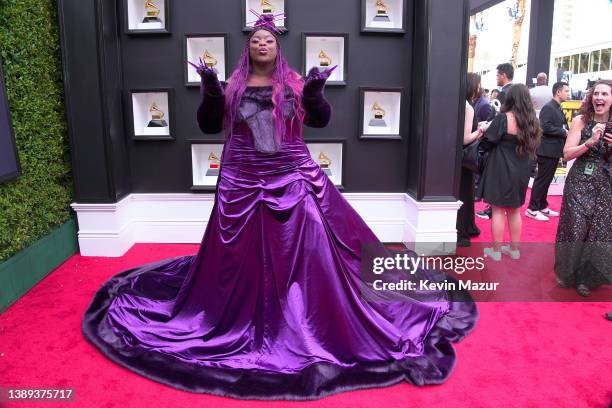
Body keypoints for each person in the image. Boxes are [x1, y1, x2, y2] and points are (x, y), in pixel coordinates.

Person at [81, 13, 477, 400]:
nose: (261, 44)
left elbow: (319, 120)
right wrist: (210, 89)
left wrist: (318, 91)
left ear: (278, 47)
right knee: (236, 253)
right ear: (247, 48)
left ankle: (307, 319)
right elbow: (206, 124)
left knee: (312, 244)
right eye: (255, 40)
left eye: (268, 39)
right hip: (239, 177)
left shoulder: (293, 82)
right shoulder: (233, 84)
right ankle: (234, 317)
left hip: (291, 172)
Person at [554, 79, 612, 297]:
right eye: (596, 94)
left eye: (604, 94)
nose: (599, 98)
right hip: (580, 182)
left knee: (599, 231)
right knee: (575, 226)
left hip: (607, 184)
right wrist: (590, 142)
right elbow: (567, 154)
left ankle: (587, 279)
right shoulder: (581, 120)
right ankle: (568, 272)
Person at [476, 84, 541, 261]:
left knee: (497, 210)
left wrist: (483, 132)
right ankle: (514, 250)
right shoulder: (532, 121)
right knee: (514, 210)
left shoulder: (503, 118)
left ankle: (496, 251)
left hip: (501, 167)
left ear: (510, 98)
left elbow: (487, 142)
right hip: (522, 170)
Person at [526, 82, 570, 221]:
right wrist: (563, 131)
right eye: (566, 91)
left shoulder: (557, 107)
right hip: (546, 150)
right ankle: (532, 209)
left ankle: (542, 205)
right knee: (541, 180)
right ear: (558, 92)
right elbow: (544, 126)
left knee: (547, 180)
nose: (568, 93)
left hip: (554, 150)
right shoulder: (549, 107)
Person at [476, 63, 515, 220]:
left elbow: (493, 117)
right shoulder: (517, 92)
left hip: (500, 140)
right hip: (517, 143)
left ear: (503, 75)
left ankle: (492, 208)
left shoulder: (503, 93)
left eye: (497, 75)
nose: (497, 78)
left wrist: (485, 128)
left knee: (497, 177)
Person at [458, 73, 488, 247]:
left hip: (459, 157)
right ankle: (464, 229)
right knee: (464, 193)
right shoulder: (468, 107)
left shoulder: (460, 103)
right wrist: (480, 131)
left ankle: (466, 227)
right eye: (479, 84)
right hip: (465, 157)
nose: (480, 88)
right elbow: (465, 138)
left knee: (464, 192)